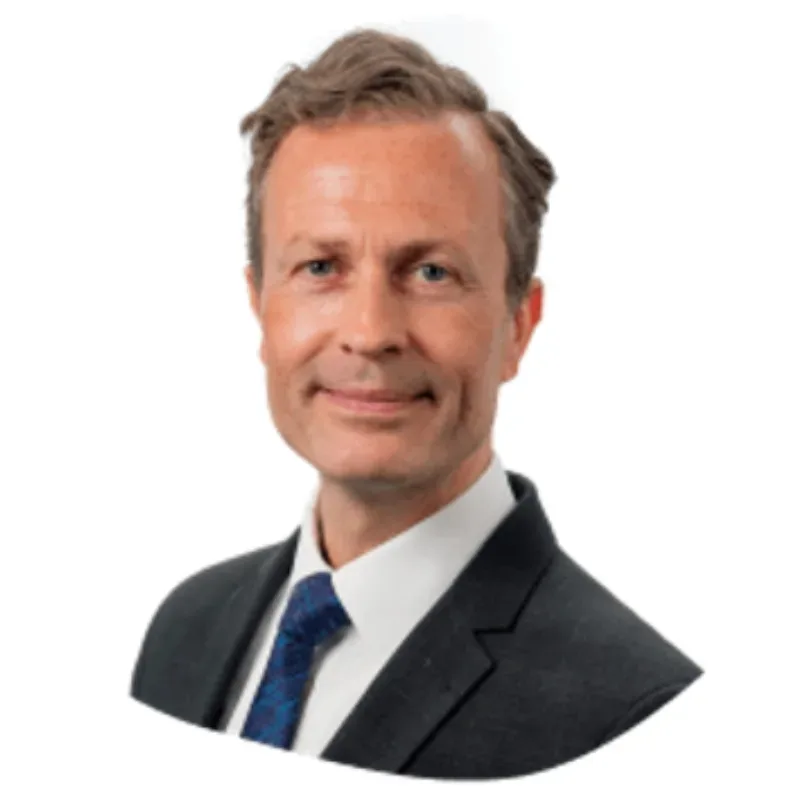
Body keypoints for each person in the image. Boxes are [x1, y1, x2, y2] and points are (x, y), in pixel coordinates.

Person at [130, 27, 702, 779]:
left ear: (518, 328)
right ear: (259, 305)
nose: (369, 333)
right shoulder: (185, 631)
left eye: (431, 272)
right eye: (320, 266)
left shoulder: (640, 720)